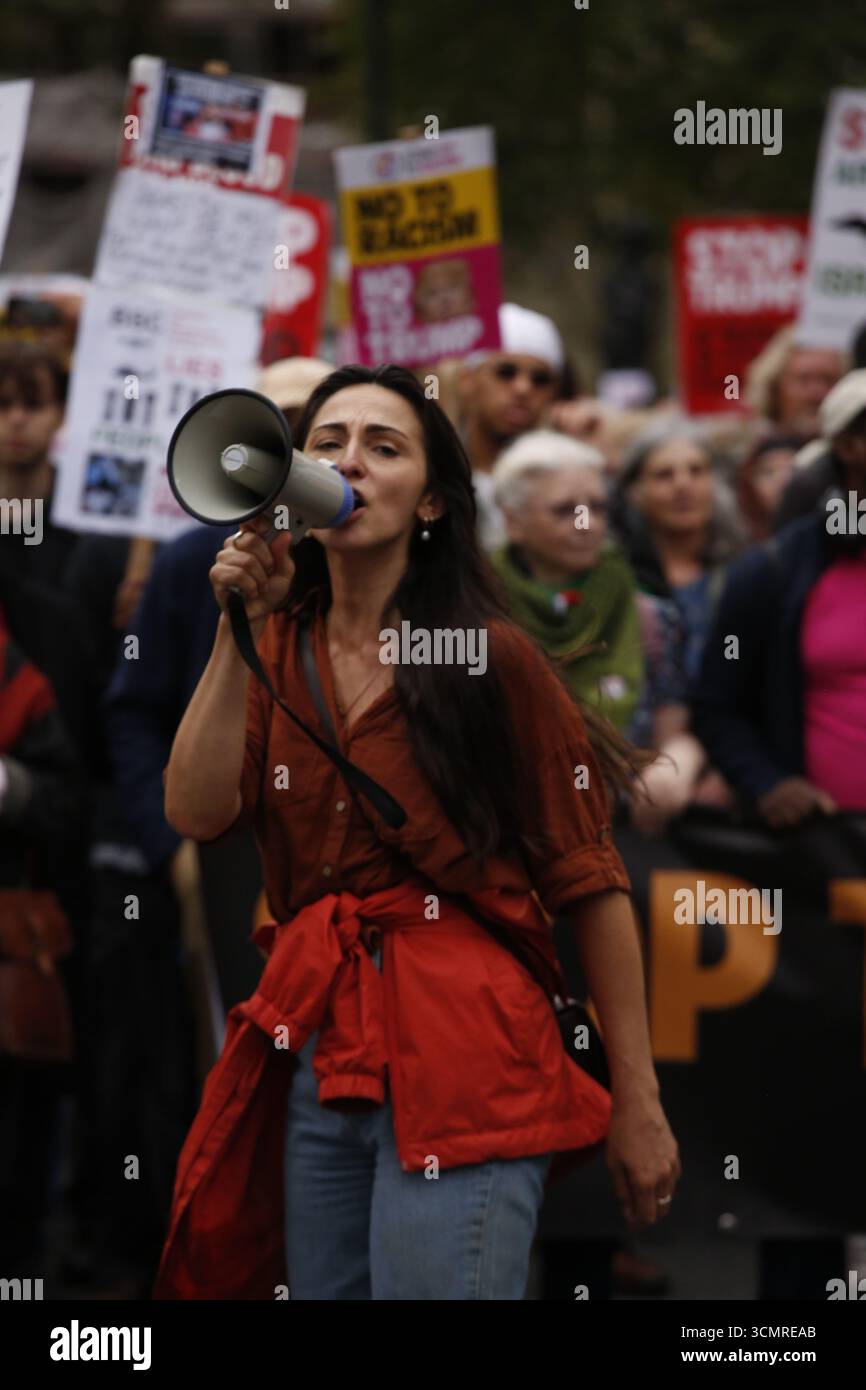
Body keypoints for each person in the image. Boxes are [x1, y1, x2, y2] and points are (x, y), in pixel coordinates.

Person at [157, 364, 679, 1301]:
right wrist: (235, 624)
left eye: (383, 447)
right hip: (324, 1050)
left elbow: (590, 883)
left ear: (432, 501)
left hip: (467, 1052)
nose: (347, 461)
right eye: (326, 443)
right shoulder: (277, 639)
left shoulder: (493, 658)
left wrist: (637, 1099)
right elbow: (197, 811)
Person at [693, 368, 866, 824]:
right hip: (828, 857)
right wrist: (766, 781)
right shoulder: (771, 572)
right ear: (849, 447)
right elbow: (716, 705)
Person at [610, 423, 743, 831]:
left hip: (730, 773)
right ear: (636, 491)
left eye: (696, 471)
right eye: (664, 475)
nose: (683, 486)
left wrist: (734, 771)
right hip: (632, 780)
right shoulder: (613, 578)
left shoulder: (746, 574)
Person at [488, 430, 643, 734]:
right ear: (513, 522)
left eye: (597, 507)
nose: (589, 524)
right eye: (564, 510)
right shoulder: (476, 603)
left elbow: (672, 717)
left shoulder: (645, 610)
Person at [457, 303, 567, 548]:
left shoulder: (571, 478)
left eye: (540, 379)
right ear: (467, 380)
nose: (523, 389)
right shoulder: (433, 471)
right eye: (505, 373)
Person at [0, 344, 78, 590]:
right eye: (3, 404)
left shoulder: (82, 521)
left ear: (62, 413)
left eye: (33, 405)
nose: (17, 419)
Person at [744, 324, 845, 439]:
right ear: (775, 387)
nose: (816, 391)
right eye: (803, 379)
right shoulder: (742, 450)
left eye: (828, 379)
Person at [735, 433, 802, 540]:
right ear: (750, 484)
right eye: (769, 473)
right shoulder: (739, 543)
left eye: (792, 470)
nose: (782, 481)